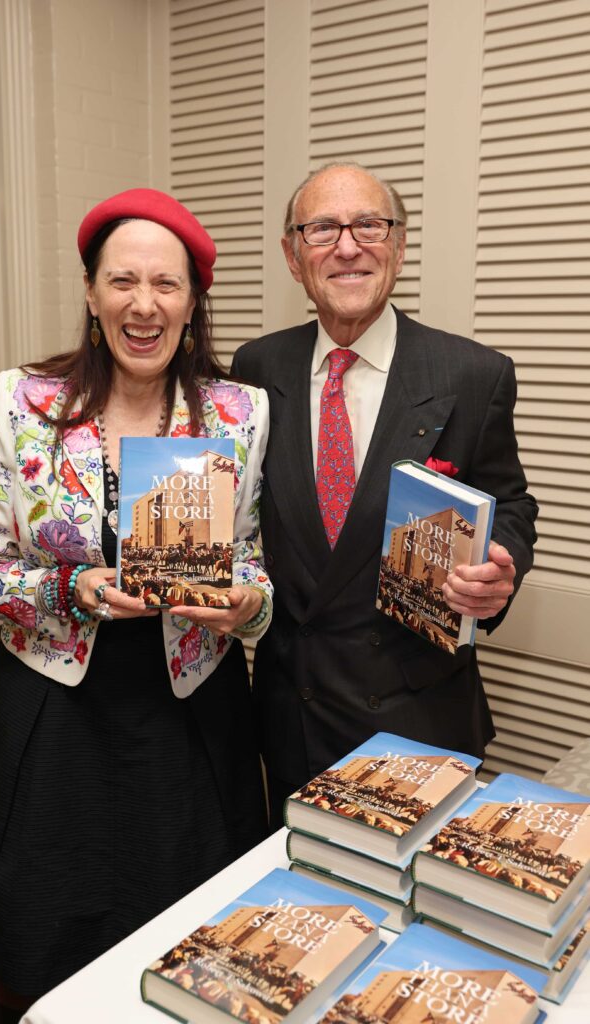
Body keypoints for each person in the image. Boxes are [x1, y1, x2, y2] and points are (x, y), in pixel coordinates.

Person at [0, 188, 272, 1019]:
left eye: (167, 284)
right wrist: (67, 588)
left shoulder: (236, 412)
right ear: (91, 293)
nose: (143, 303)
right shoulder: (27, 405)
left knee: (191, 942)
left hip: (189, 716)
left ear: (193, 303)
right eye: (122, 280)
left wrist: (247, 604)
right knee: (42, 932)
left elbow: (253, 561)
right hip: (55, 717)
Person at [231, 162, 538, 829]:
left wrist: (499, 564)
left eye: (368, 225)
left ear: (398, 245)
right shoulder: (256, 369)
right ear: (292, 255)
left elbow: (510, 503)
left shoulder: (471, 374)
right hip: (292, 713)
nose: (346, 246)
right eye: (321, 229)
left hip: (417, 714)